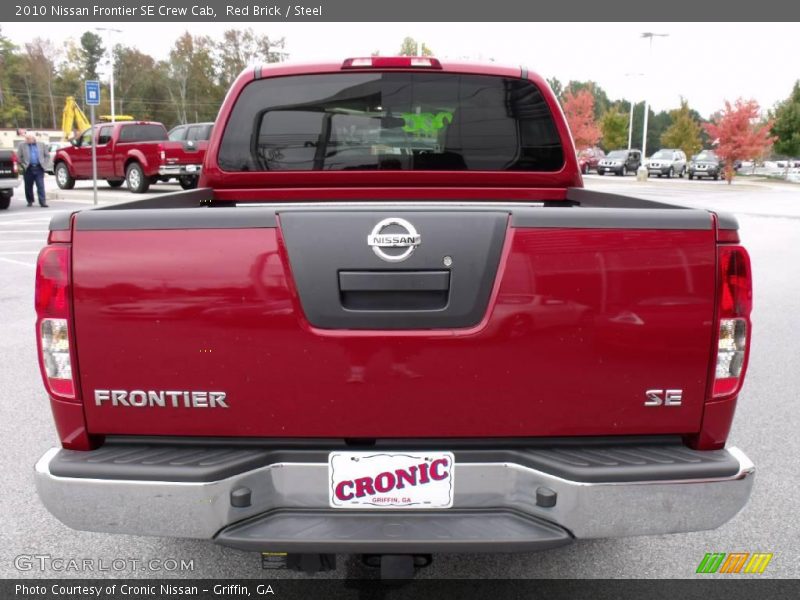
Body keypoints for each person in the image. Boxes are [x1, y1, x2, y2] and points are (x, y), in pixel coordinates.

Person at [17, 132, 49, 207]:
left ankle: (42, 202)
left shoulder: (41, 144)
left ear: (33, 138)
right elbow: (19, 157)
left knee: (40, 185)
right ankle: (30, 200)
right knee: (28, 186)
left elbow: (47, 155)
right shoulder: (22, 145)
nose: (26, 140)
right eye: (26, 138)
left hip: (39, 167)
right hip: (28, 168)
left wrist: (45, 164)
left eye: (28, 138)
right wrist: (23, 165)